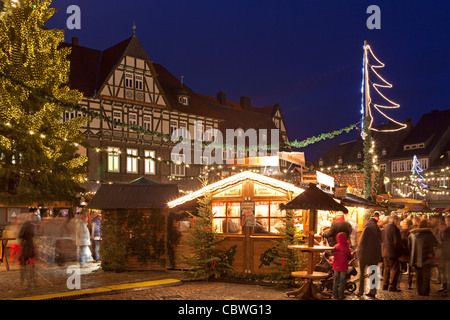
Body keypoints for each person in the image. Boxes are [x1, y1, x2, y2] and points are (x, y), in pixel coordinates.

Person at [408, 220, 439, 296]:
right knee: (426, 276)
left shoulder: (412, 234)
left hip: (415, 259)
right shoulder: (429, 234)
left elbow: (409, 246)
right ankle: (425, 292)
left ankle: (420, 291)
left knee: (418, 275)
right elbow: (435, 244)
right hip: (426, 258)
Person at [356, 211, 382, 298]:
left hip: (365, 254)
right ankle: (373, 291)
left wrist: (358, 252)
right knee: (373, 273)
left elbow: (362, 242)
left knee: (362, 274)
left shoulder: (367, 228)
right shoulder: (377, 228)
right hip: (375, 254)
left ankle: (360, 292)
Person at [381, 215, 402, 292]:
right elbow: (397, 242)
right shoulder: (395, 229)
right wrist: (400, 250)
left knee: (386, 269)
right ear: (395, 220)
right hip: (392, 252)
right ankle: (392, 286)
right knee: (394, 269)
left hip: (384, 252)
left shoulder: (385, 228)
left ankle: (385, 285)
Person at [332, 232, 353, 299]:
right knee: (342, 281)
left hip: (336, 266)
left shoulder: (335, 246)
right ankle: (341, 295)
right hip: (343, 267)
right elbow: (350, 256)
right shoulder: (346, 247)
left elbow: (333, 254)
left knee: (336, 281)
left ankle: (335, 295)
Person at [18, 213, 37, 287]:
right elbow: (33, 234)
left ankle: (23, 277)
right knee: (30, 258)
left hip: (25, 245)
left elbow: (20, 235)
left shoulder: (23, 225)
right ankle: (31, 277)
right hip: (30, 244)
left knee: (23, 260)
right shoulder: (31, 226)